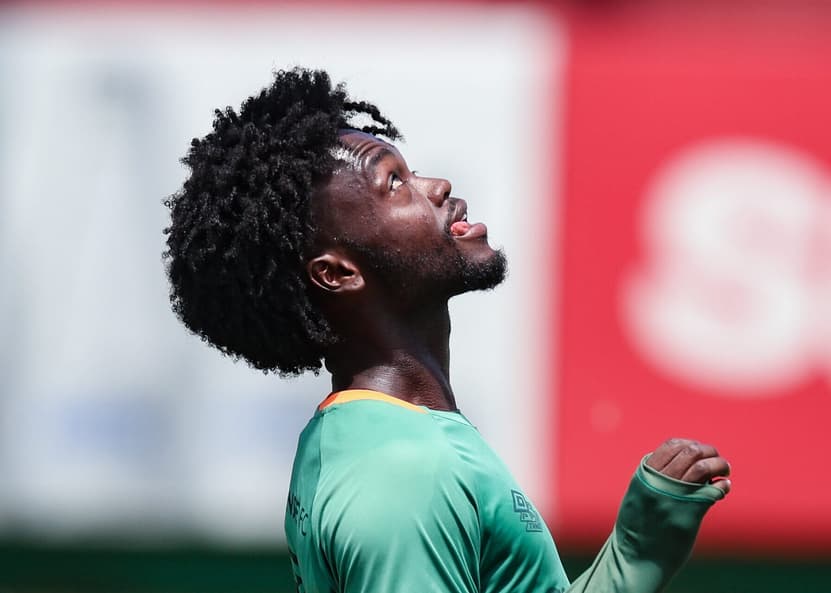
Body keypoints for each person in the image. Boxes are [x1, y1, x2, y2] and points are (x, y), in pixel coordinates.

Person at [164, 68, 731, 593]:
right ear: (339, 273)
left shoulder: (374, 439)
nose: (435, 185)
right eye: (394, 184)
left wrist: (632, 555)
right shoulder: (405, 474)